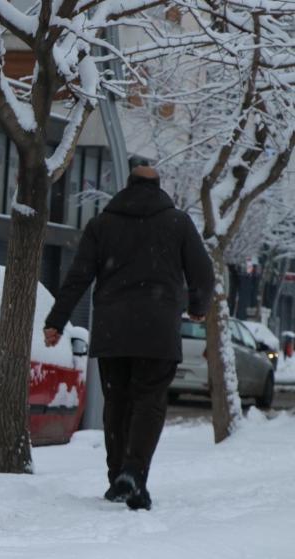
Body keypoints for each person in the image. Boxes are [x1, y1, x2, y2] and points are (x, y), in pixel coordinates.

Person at [43, 159, 214, 511]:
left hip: (113, 330)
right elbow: (203, 272)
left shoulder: (102, 224)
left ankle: (117, 475)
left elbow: (78, 276)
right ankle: (134, 473)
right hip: (159, 330)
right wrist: (199, 305)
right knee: (148, 403)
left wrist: (56, 321)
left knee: (117, 404)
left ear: (128, 184)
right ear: (158, 186)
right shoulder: (178, 223)